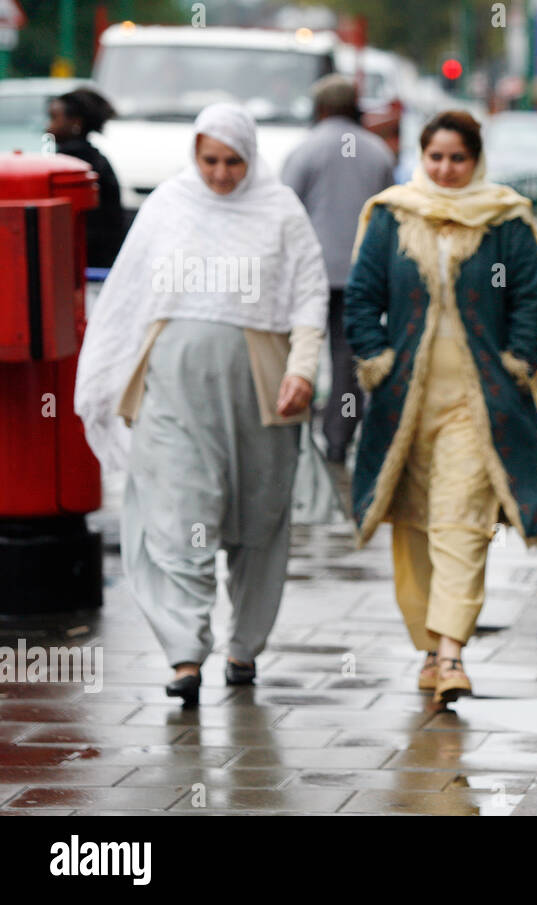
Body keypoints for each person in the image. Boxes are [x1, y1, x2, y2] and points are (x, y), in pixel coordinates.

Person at [74, 103, 328, 705]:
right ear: (194, 154)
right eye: (209, 159)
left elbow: (310, 295)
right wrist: (107, 377)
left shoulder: (280, 208)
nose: (219, 173)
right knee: (178, 509)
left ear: (252, 155)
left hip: (260, 395)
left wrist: (303, 370)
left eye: (233, 160)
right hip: (173, 391)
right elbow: (130, 291)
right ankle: (185, 653)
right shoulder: (169, 203)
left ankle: (244, 645)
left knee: (256, 520)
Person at [345, 111, 537, 705]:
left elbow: (529, 299)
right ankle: (429, 648)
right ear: (422, 156)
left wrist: (518, 361)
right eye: (435, 157)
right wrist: (375, 356)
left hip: (477, 402)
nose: (446, 169)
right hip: (404, 404)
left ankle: (451, 652)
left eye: (457, 158)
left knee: (461, 522)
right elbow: (361, 297)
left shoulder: (505, 218)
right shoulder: (392, 214)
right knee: (412, 528)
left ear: (476, 159)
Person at [281, 74, 395, 465]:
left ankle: (295, 434)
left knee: (301, 350)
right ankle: (337, 440)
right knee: (348, 360)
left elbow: (285, 210)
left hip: (310, 272)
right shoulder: (378, 152)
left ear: (322, 108)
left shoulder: (305, 151)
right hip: (362, 272)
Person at [46, 87, 124, 268]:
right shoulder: (91, 156)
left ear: (75, 122)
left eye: (54, 118)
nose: (48, 126)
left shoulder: (73, 161)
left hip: (90, 261)